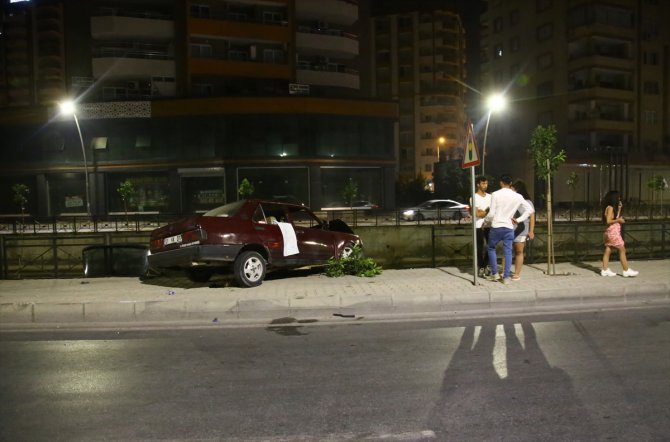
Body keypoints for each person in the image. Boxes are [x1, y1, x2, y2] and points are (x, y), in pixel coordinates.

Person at [484, 174, 534, 284]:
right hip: (509, 228)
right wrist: (519, 220)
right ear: (510, 183)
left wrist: (485, 221)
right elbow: (529, 210)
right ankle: (506, 278)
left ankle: (495, 274)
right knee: (508, 251)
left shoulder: (495, 194)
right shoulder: (517, 196)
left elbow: (491, 213)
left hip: (496, 226)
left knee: (491, 248)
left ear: (501, 183)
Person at [601, 190, 638, 277]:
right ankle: (626, 270)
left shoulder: (610, 207)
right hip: (613, 233)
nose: (619, 199)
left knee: (608, 249)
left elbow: (614, 217)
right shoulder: (610, 208)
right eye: (618, 197)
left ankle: (605, 270)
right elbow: (608, 221)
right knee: (622, 249)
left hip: (610, 232)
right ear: (614, 198)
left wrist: (620, 208)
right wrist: (619, 220)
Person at [510, 179, 535, 281]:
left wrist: (531, 231)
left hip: (522, 229)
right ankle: (504, 271)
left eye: (513, 189)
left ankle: (517, 273)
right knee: (506, 250)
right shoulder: (510, 201)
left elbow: (532, 217)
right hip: (509, 228)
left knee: (519, 251)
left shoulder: (527, 202)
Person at [470, 175, 491, 276]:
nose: (485, 185)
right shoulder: (474, 197)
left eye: (486, 183)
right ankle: (481, 266)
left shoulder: (490, 197)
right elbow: (477, 214)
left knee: (491, 245)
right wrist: (487, 210)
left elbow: (490, 213)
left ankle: (486, 264)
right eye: (483, 183)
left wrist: (483, 212)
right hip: (478, 225)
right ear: (478, 184)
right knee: (479, 247)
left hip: (489, 224)